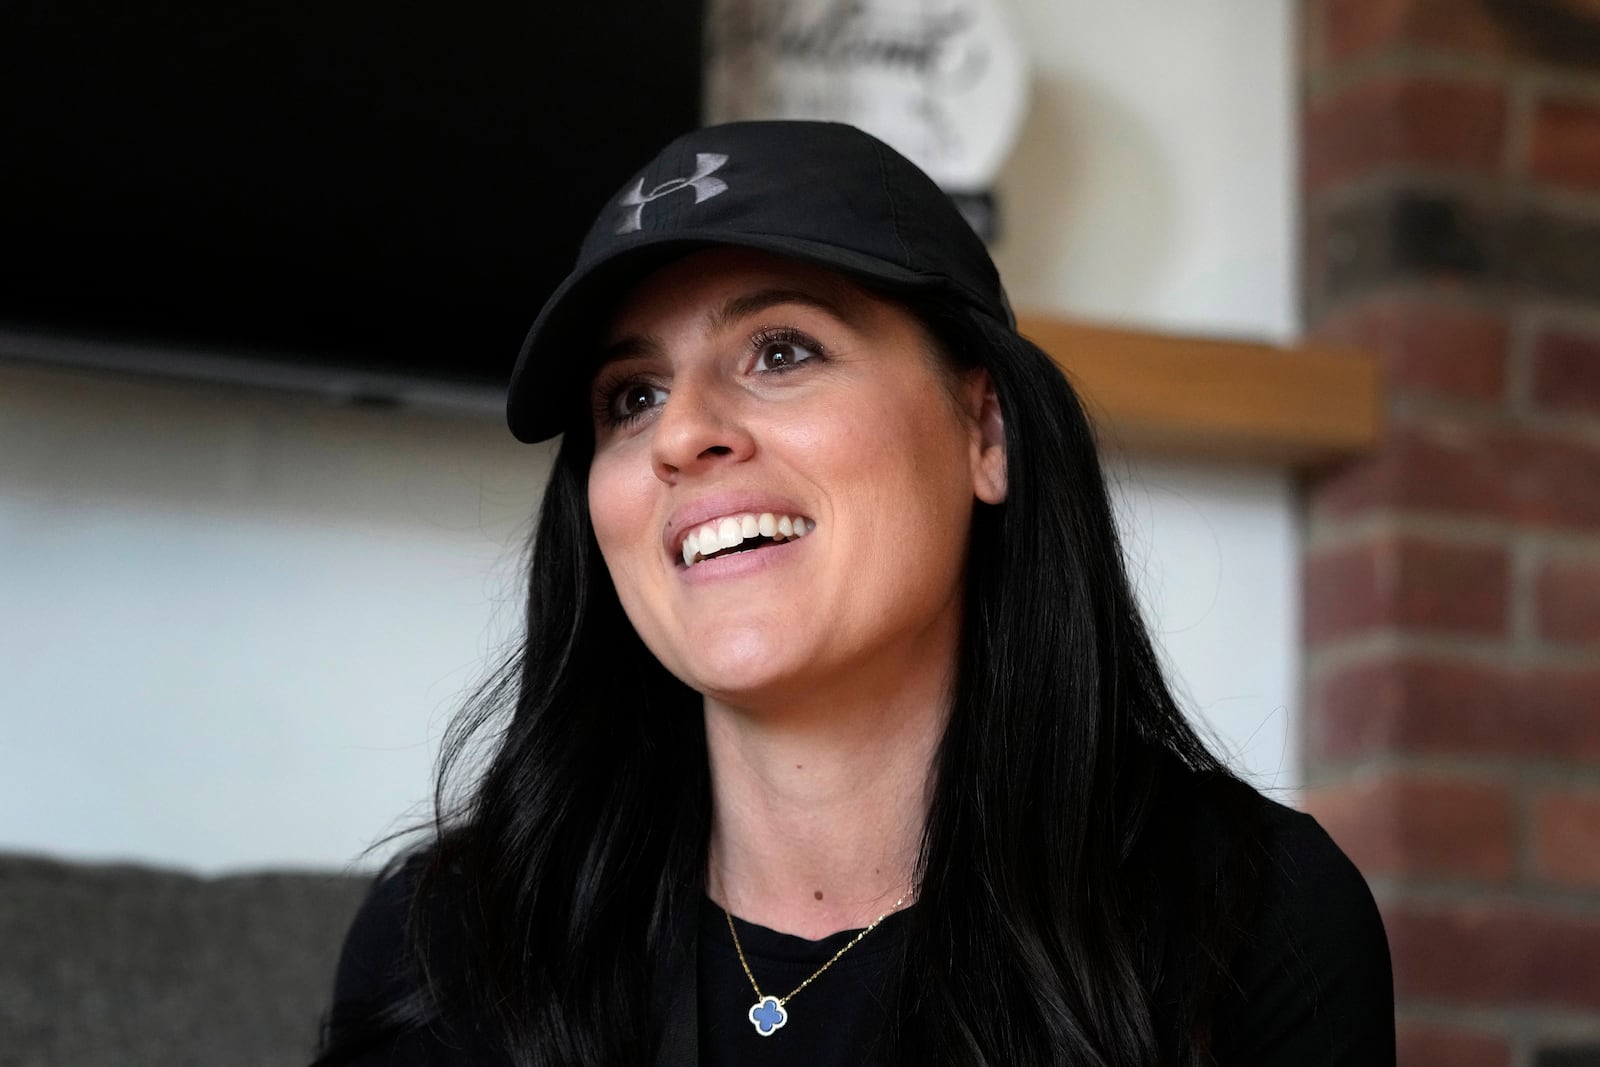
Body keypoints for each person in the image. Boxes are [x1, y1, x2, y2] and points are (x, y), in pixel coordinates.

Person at [315, 120, 1394, 1067]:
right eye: (631, 395)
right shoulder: (446, 941)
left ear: (986, 431)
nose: (683, 434)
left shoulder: (1254, 921)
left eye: (780, 350)